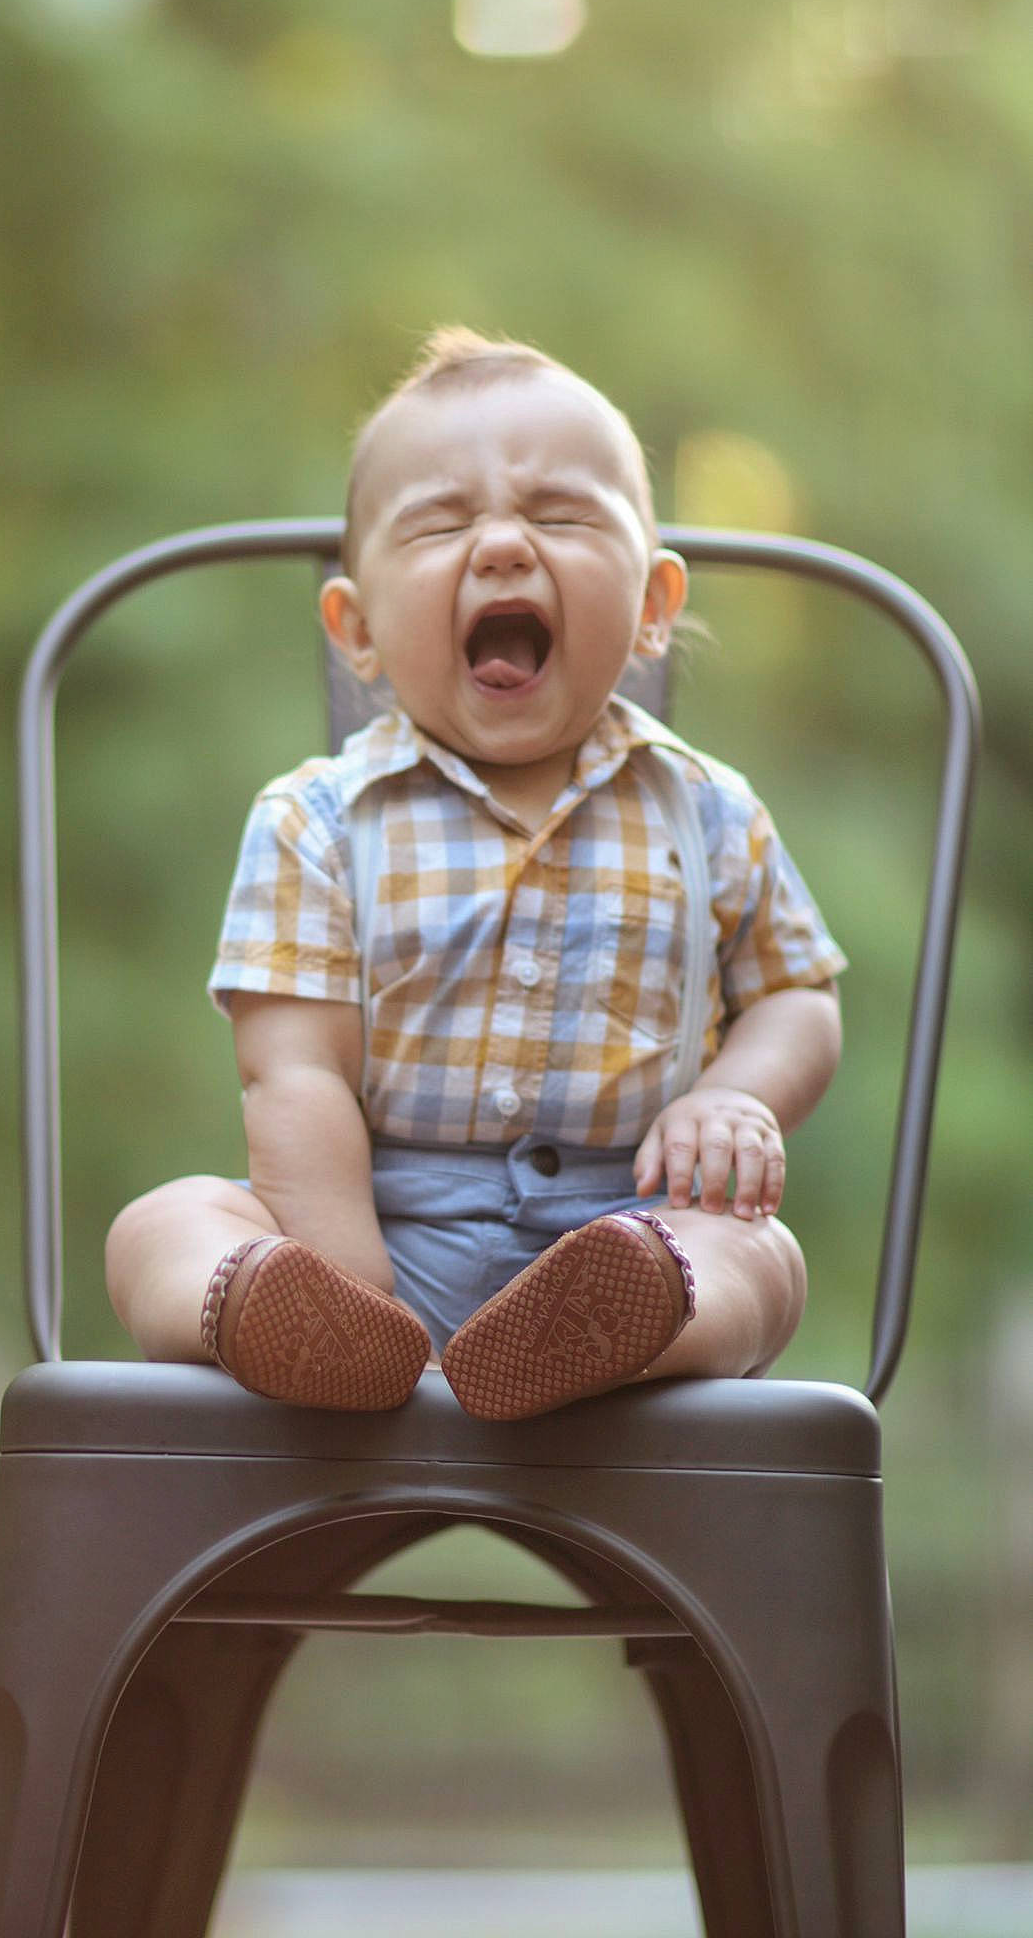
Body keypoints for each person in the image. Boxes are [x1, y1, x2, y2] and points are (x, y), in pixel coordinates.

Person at [105, 329, 845, 1421]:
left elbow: (796, 994)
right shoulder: (316, 817)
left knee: (755, 1261)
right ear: (354, 629)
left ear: (651, 604)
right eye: (443, 523)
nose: (501, 544)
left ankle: (598, 1336)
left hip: (633, 1227)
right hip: (371, 1232)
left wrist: (736, 1094)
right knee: (160, 1227)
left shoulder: (706, 806)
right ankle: (294, 1320)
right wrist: (356, 1290)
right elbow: (294, 1073)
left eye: (556, 515)